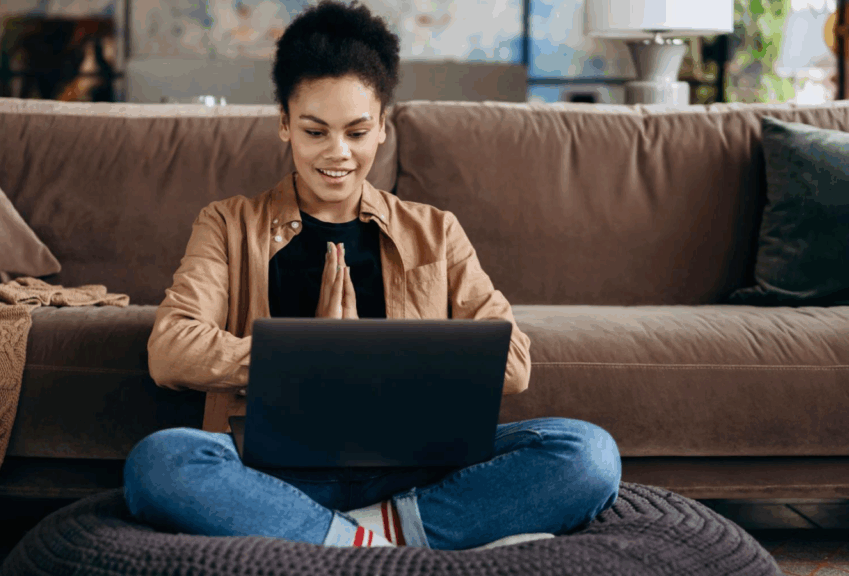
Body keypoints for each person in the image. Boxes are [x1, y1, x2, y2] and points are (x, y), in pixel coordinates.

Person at [124, 0, 621, 551]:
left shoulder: (436, 232)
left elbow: (514, 363)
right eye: (315, 131)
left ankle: (339, 539)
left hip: (410, 472)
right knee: (159, 462)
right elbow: (169, 349)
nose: (338, 154)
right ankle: (388, 539)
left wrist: (371, 355)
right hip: (271, 472)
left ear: (382, 127)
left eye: (357, 132)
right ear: (284, 125)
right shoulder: (227, 223)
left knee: (589, 454)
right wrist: (308, 356)